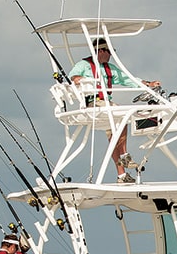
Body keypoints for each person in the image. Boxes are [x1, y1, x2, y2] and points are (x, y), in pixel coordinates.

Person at [69, 37, 161, 183]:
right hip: (93, 104)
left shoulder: (109, 68)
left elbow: (129, 79)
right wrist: (80, 80)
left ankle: (121, 175)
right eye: (109, 52)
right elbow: (72, 77)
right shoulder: (83, 65)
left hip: (105, 105)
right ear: (101, 51)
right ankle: (124, 155)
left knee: (114, 135)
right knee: (122, 115)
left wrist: (148, 84)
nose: (110, 55)